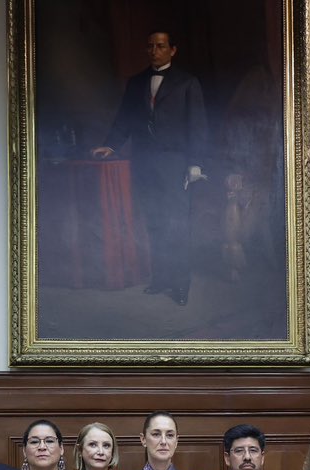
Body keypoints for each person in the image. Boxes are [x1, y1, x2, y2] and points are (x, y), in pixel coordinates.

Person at [91, 31, 207, 306]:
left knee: (177, 225)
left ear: (173, 50)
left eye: (161, 46)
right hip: (144, 163)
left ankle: (181, 284)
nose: (154, 51)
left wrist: (195, 163)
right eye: (151, 46)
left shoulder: (188, 82)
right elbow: (124, 119)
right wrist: (111, 145)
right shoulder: (136, 82)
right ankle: (161, 279)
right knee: (154, 223)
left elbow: (198, 125)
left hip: (175, 164)